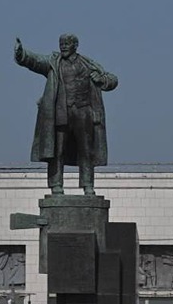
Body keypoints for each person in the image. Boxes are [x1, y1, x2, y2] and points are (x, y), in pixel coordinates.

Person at [14, 34, 118, 196]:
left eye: (67, 43)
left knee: (86, 151)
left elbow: (112, 80)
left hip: (84, 113)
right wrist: (22, 54)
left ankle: (88, 186)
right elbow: (35, 61)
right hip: (61, 113)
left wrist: (101, 79)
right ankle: (56, 185)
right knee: (57, 150)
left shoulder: (88, 64)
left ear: (75, 45)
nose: (63, 46)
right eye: (61, 43)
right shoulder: (53, 62)